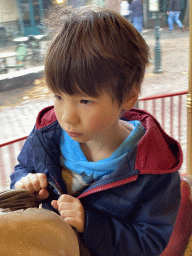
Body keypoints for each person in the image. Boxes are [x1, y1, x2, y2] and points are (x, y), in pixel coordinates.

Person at [10, 6, 182, 256]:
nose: (67, 118)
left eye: (85, 101)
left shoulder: (154, 170)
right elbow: (23, 168)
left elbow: (149, 242)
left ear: (128, 97)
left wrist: (90, 224)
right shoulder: (46, 133)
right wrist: (24, 183)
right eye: (58, 96)